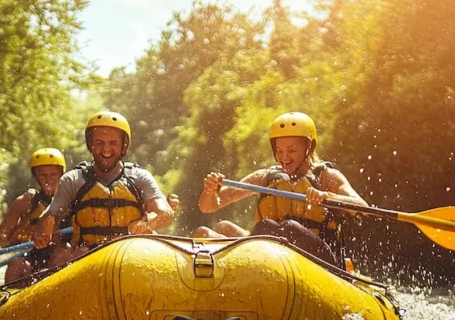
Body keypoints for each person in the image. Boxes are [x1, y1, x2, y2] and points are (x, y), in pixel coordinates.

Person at [193, 112, 368, 266]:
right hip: (271, 252)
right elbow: (208, 207)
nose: (284, 157)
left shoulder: (327, 176)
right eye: (279, 150)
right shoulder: (265, 177)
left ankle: (255, 251)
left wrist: (326, 196)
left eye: (291, 150)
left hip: (320, 259)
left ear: (309, 148)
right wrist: (210, 191)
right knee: (218, 229)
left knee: (287, 227)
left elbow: (363, 208)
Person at [32, 111, 175, 265]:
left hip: (132, 256)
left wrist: (147, 225)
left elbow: (166, 213)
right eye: (99, 143)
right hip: (87, 258)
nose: (106, 149)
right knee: (61, 257)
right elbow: (52, 213)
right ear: (90, 145)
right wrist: (44, 227)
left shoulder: (140, 177)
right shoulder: (72, 180)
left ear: (123, 146)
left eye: (113, 143)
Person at [0, 148, 67, 283]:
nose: (48, 180)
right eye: (43, 175)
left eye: (53, 175)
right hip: (31, 255)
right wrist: (19, 233)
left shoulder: (70, 199)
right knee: (16, 263)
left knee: (63, 256)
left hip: (59, 254)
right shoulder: (26, 201)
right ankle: (9, 299)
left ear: (61, 175)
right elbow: (2, 236)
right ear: (36, 176)